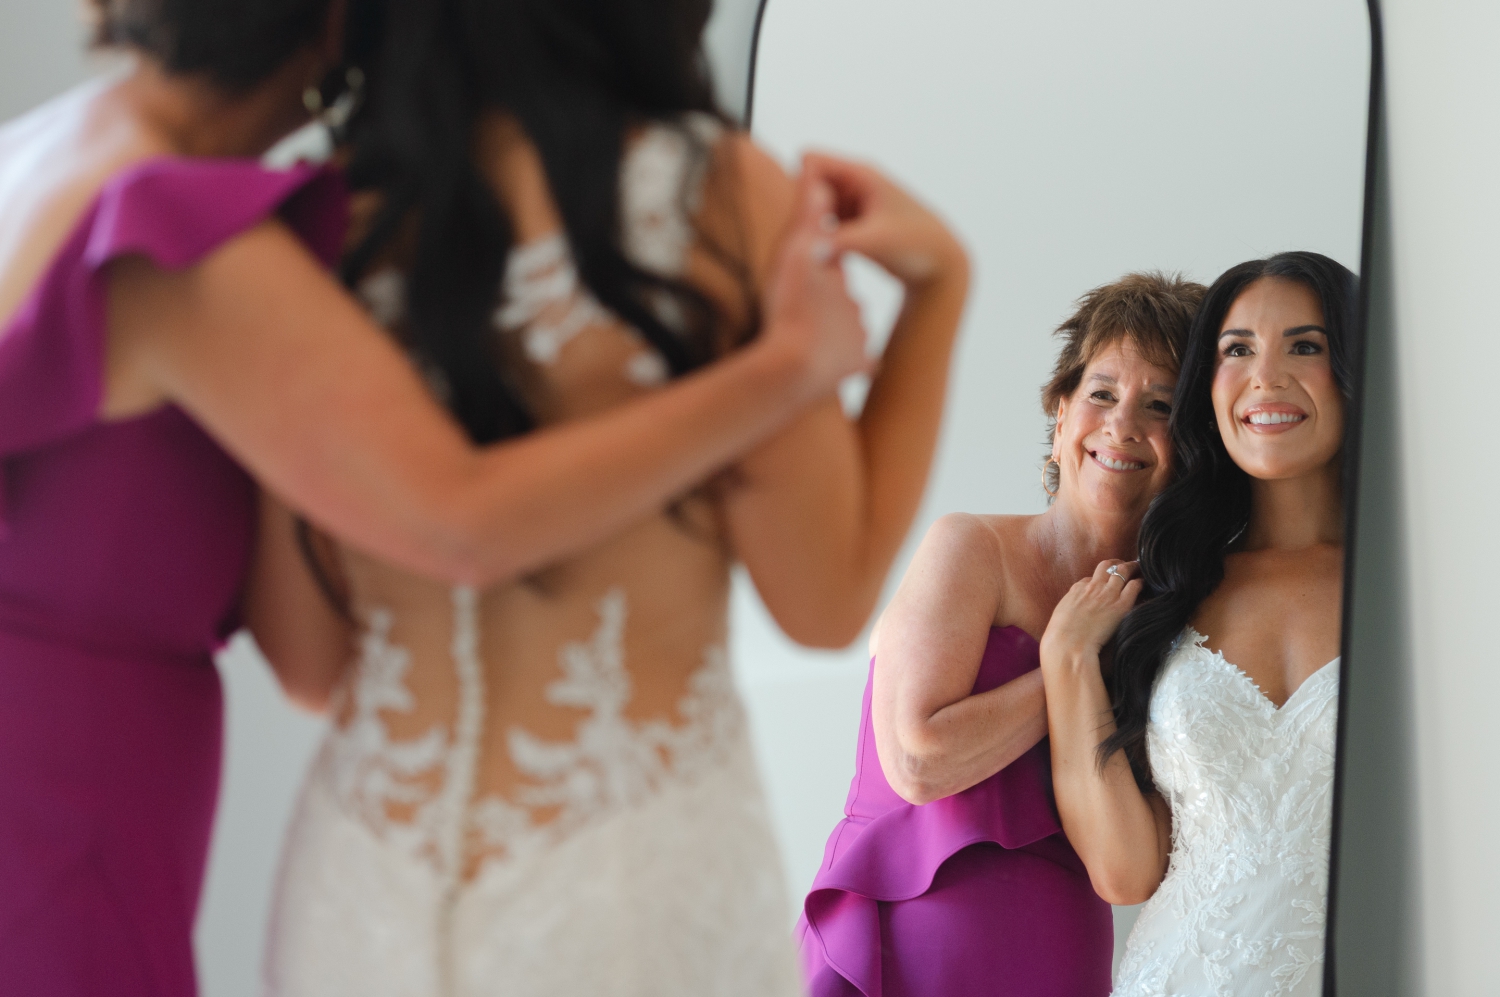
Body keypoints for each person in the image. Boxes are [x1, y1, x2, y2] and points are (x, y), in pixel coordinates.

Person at [0, 0, 878, 990]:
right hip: (61, 836)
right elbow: (461, 518)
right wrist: (788, 367)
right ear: (337, 20)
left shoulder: (42, 151)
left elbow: (313, 654)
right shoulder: (183, 244)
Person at [256, 0, 970, 994]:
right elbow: (827, 599)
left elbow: (308, 662)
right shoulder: (710, 196)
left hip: (368, 885)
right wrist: (939, 292)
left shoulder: (321, 226)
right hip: (633, 881)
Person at [796, 273, 1205, 997]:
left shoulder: (1176, 619)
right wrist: (1066, 660)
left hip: (1056, 950)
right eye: (1101, 393)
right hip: (907, 938)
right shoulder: (971, 548)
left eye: (1160, 405)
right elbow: (920, 761)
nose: (1121, 425)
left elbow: (1139, 853)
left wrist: (1091, 651)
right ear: (1059, 412)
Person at [1038, 252, 1354, 996]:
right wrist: (1068, 657)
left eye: (1304, 345)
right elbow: (1126, 871)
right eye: (1236, 349)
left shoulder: (1416, 581)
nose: (1265, 377)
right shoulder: (1170, 591)